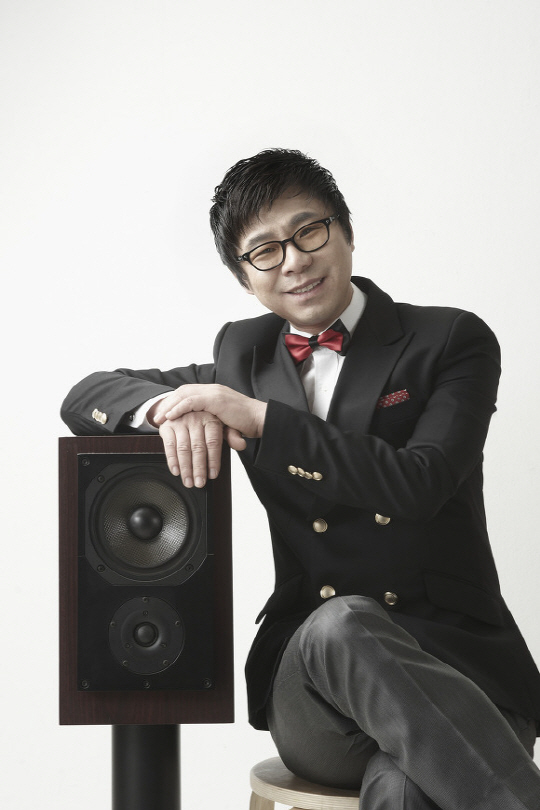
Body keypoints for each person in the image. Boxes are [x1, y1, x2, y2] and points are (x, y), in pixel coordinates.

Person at [61, 148, 540, 809]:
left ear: (346, 231)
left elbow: (421, 482)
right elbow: (88, 393)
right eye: (265, 251)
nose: (292, 260)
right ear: (244, 277)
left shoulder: (449, 340)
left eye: (308, 231)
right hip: (319, 698)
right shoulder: (244, 356)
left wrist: (262, 421)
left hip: (464, 675)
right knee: (342, 623)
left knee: (407, 788)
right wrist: (168, 409)